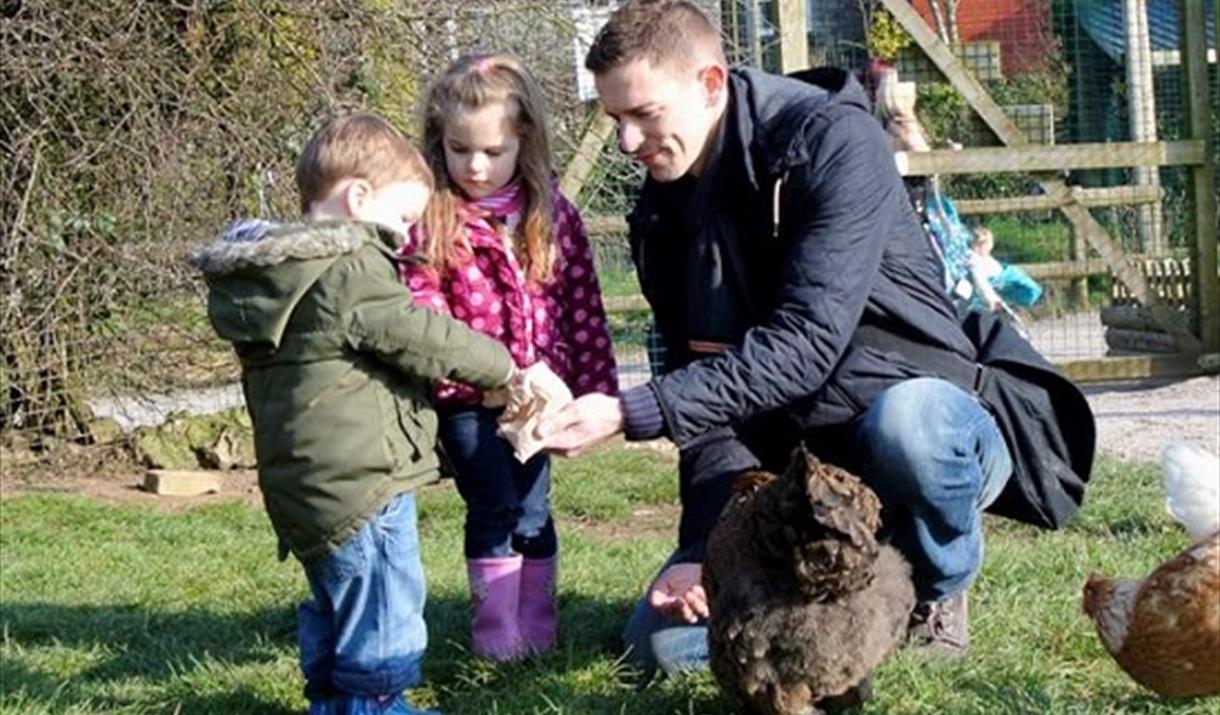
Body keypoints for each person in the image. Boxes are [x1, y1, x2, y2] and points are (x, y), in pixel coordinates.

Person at [539, 0, 1093, 678]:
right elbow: (708, 400)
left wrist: (631, 410)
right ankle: (853, 592)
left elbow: (806, 341)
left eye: (643, 115)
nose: (627, 142)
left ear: (710, 83)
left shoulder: (834, 142)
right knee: (667, 650)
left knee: (910, 427)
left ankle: (937, 586)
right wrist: (700, 551)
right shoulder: (662, 212)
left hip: (919, 418)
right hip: (804, 480)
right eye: (614, 120)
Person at [192, 114, 528, 715]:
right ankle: (374, 703)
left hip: (303, 489)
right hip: (363, 488)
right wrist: (503, 367)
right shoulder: (349, 267)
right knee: (384, 605)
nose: (403, 237)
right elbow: (423, 336)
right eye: (401, 219)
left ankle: (331, 701)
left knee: (334, 601)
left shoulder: (278, 276)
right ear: (359, 197)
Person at [403, 53, 619, 661]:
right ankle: (496, 638)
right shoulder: (432, 217)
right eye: (458, 149)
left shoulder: (551, 213)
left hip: (537, 397)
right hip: (467, 399)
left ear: (522, 141)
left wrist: (595, 386)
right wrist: (453, 370)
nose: (474, 166)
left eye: (492, 152)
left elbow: (582, 304)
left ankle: (537, 629)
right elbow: (421, 308)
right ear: (437, 142)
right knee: (493, 502)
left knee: (533, 507)